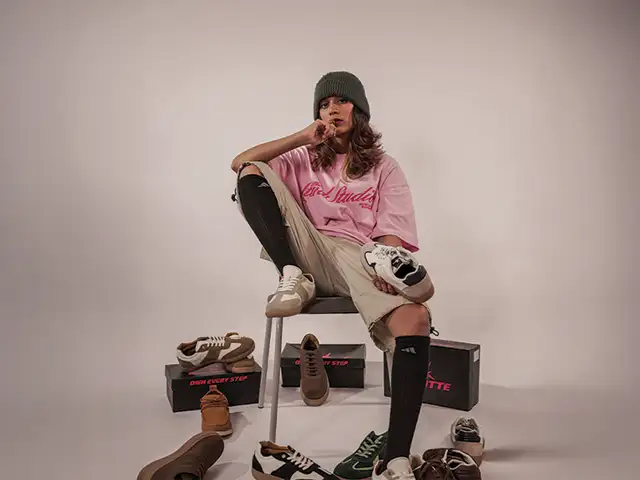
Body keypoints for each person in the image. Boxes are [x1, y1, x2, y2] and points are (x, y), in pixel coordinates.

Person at [231, 71, 434, 480]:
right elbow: (241, 161)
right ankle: (291, 274)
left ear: (359, 111)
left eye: (341, 101)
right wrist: (302, 138)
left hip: (358, 256)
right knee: (251, 171)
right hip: (306, 249)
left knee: (416, 317)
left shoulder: (384, 167)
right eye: (324, 104)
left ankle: (395, 457)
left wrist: (387, 264)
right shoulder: (303, 156)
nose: (332, 109)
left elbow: (391, 227)